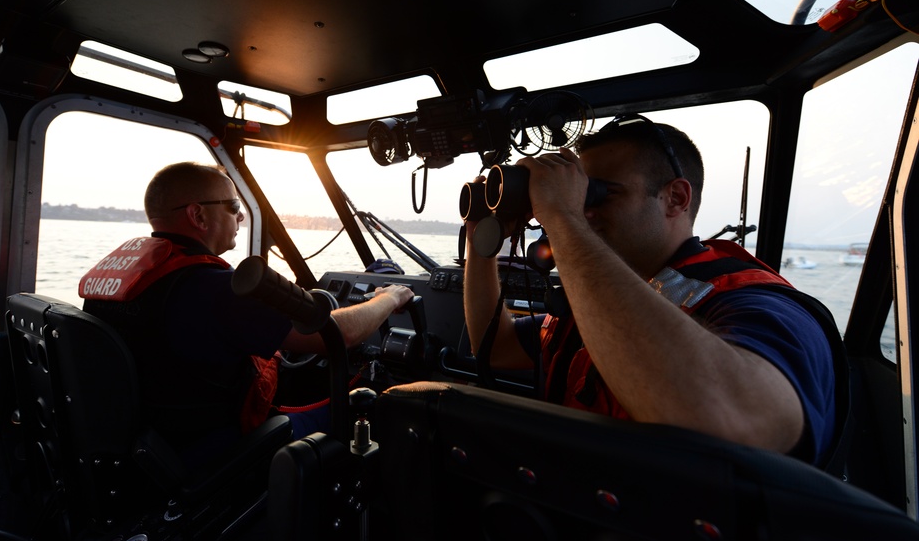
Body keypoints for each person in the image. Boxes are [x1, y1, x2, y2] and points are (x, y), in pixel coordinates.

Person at [463, 114, 839, 466]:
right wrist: (479, 237)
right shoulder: (597, 299)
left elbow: (734, 421)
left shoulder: (759, 304)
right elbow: (496, 347)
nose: (583, 209)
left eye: (597, 193)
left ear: (675, 198)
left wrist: (563, 215)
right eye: (576, 194)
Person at [80, 162, 413, 469]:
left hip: (146, 449)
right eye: (234, 207)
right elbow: (337, 335)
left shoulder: (119, 283)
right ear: (198, 216)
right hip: (214, 450)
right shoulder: (217, 288)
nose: (240, 218)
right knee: (368, 405)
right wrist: (388, 297)